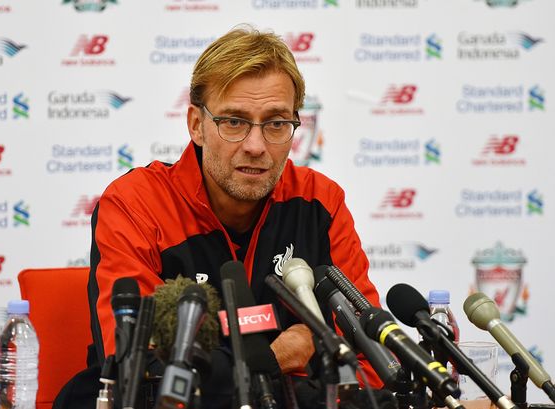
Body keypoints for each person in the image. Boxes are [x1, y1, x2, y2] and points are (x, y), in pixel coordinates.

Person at [86, 26, 381, 407]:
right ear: (197, 125)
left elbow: (372, 365)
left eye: (276, 123)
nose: (256, 146)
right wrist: (274, 361)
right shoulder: (136, 204)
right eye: (234, 122)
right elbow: (139, 371)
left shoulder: (320, 201)